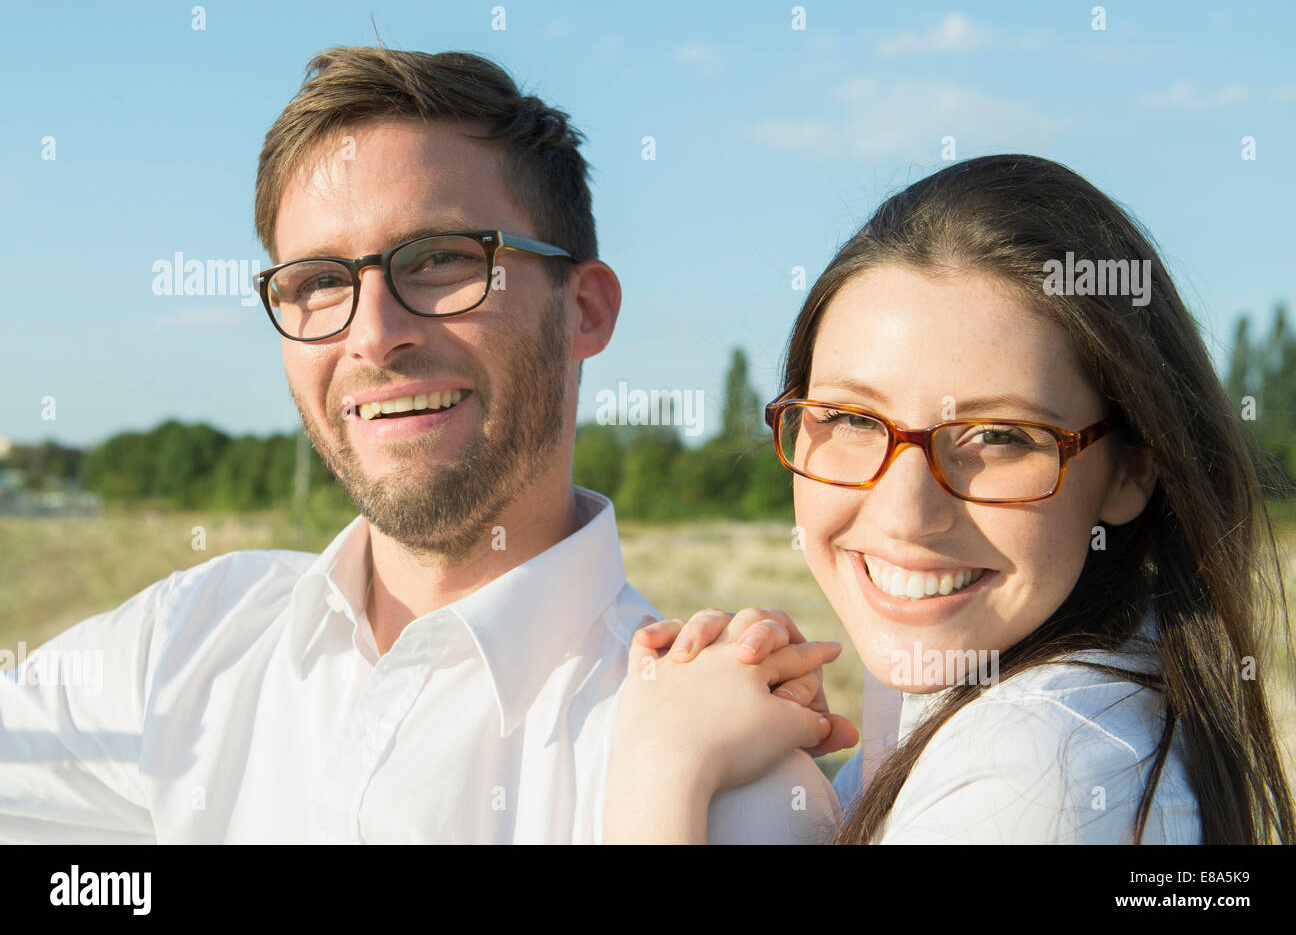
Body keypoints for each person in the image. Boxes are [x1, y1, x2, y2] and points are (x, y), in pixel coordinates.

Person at [0, 46, 851, 843]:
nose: (373, 335)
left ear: (584, 309)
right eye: (319, 281)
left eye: (441, 260)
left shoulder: (727, 786)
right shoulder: (184, 643)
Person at [604, 154, 1296, 844]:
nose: (906, 512)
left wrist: (657, 769)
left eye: (999, 435)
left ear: (1131, 472)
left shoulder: (1037, 776)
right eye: (849, 418)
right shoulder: (990, 708)